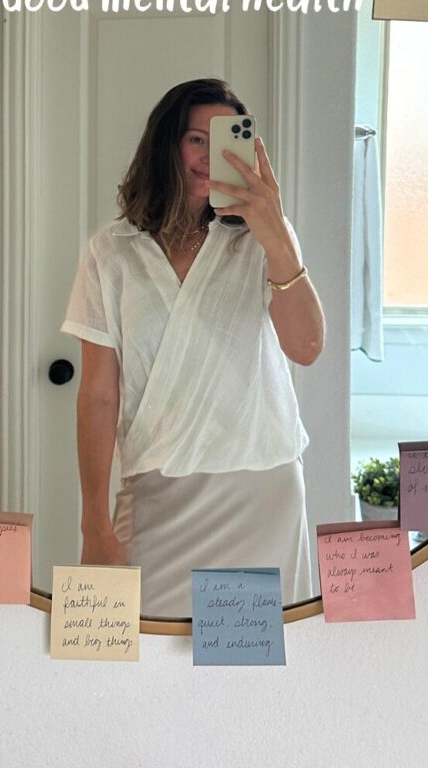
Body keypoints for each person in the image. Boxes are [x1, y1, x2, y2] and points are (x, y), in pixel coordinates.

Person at [61, 79, 325, 616]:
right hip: (157, 491)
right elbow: (98, 395)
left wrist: (274, 232)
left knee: (251, 660)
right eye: (196, 139)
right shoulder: (112, 252)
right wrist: (94, 522)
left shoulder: (263, 240)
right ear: (167, 144)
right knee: (145, 646)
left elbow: (306, 347)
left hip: (262, 490)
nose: (210, 156)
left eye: (226, 141)